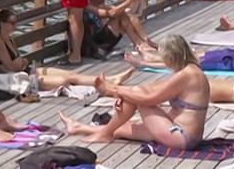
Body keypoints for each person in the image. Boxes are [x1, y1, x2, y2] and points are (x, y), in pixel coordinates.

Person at [57, 35, 209, 147]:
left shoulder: (186, 75)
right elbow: (154, 88)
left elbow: (150, 98)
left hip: (182, 137)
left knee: (137, 94)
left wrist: (116, 90)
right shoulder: (191, 70)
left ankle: (105, 133)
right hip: (180, 131)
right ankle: (79, 127)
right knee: (123, 127)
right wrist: (124, 93)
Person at [0, 9, 134, 88]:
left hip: (24, 72)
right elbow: (10, 68)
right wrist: (22, 61)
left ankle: (109, 79)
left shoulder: (9, 39)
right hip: (16, 78)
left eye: (16, 23)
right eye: (12, 23)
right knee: (62, 81)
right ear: (2, 24)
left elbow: (21, 62)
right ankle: (105, 82)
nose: (15, 26)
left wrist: (22, 60)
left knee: (70, 74)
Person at [84, 0, 157, 55]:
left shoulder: (102, 6)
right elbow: (112, 13)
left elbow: (119, 10)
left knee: (127, 14)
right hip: (96, 43)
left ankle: (146, 41)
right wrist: (129, 1)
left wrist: (137, 1)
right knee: (120, 14)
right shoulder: (88, 7)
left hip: (104, 38)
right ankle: (139, 43)